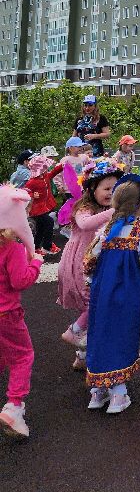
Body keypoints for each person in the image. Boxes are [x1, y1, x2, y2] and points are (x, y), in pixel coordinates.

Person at [84, 175, 140, 413]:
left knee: (100, 332)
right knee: (122, 333)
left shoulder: (107, 229)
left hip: (102, 291)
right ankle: (118, 394)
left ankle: (97, 393)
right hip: (127, 293)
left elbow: (89, 260)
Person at [57, 157, 122, 372]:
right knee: (94, 304)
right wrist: (114, 211)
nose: (110, 193)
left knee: (96, 308)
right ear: (92, 188)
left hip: (93, 261)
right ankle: (73, 331)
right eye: (106, 188)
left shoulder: (105, 208)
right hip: (79, 263)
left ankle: (82, 356)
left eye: (115, 188)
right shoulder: (83, 207)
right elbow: (85, 224)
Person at [0, 184, 44, 440]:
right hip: (7, 315)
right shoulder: (13, 248)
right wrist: (36, 263)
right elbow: (21, 281)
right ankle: (14, 407)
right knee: (22, 356)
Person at [24, 153, 65, 256]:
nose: (46, 169)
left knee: (41, 228)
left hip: (43, 207)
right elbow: (25, 191)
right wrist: (32, 194)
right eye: (44, 167)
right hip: (36, 209)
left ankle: (36, 247)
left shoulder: (45, 176)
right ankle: (47, 245)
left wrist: (61, 166)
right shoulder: (32, 182)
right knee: (49, 222)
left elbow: (53, 173)